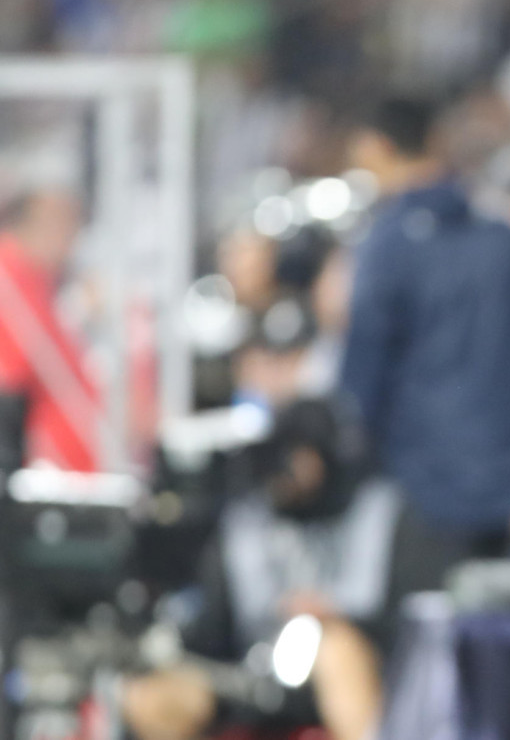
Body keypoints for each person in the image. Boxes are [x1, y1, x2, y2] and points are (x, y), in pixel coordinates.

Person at [340, 97, 510, 592]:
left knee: (430, 650)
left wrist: (360, 457)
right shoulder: (504, 235)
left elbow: (364, 374)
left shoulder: (387, 243)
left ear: (378, 148)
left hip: (426, 491)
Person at [121, 397, 393, 740]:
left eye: (305, 458)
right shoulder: (246, 517)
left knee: (337, 650)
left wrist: (330, 612)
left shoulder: (372, 509)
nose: (295, 472)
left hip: (336, 662)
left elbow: (391, 608)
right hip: (248, 668)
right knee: (150, 697)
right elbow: (212, 626)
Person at [0, 186, 101, 471]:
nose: (72, 238)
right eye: (66, 223)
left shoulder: (40, 282)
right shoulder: (9, 281)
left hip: (67, 472)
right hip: (38, 471)